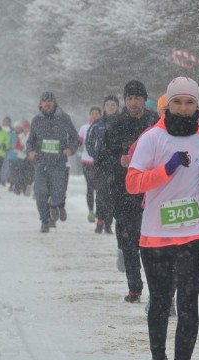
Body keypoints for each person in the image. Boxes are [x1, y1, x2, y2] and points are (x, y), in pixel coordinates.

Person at [125, 76, 199, 360]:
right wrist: (165, 170)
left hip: (196, 231)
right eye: (178, 102)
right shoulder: (152, 139)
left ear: (197, 106)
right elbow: (133, 183)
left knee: (188, 302)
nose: (184, 108)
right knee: (161, 301)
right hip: (156, 234)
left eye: (190, 102)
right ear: (168, 104)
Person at [101, 80, 159, 301]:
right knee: (129, 241)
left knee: (151, 242)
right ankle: (134, 287)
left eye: (138, 98)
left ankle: (157, 287)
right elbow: (102, 159)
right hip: (123, 192)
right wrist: (119, 160)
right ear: (125, 101)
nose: (134, 103)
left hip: (151, 192)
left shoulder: (155, 122)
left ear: (145, 99)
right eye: (130, 98)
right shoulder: (115, 125)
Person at [27, 92, 80, 231]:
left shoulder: (64, 119)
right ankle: (44, 221)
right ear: (41, 104)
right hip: (41, 162)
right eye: (45, 101)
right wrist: (30, 151)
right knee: (40, 193)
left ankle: (55, 206)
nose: (47, 104)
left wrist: (70, 149)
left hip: (58, 162)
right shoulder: (37, 120)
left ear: (54, 103)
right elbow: (30, 141)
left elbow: (75, 138)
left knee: (58, 192)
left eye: (50, 101)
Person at [88, 95, 121, 233]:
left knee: (114, 194)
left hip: (117, 164)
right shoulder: (97, 124)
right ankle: (100, 220)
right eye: (108, 105)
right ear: (104, 107)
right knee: (101, 193)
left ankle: (109, 222)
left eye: (113, 105)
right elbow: (88, 142)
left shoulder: (122, 122)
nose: (110, 107)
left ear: (117, 107)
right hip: (101, 164)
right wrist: (95, 154)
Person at [79, 106, 102, 222]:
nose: (94, 115)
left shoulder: (103, 127)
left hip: (99, 162)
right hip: (86, 161)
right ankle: (91, 211)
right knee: (90, 187)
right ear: (89, 115)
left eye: (97, 113)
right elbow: (78, 141)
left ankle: (99, 211)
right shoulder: (84, 128)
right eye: (92, 113)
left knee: (99, 188)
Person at [9, 121, 28, 195]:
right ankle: (13, 185)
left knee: (20, 173)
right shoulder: (11, 135)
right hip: (12, 156)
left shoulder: (23, 135)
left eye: (19, 127)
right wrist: (10, 146)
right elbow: (8, 143)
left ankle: (19, 187)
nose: (17, 129)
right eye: (16, 127)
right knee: (13, 173)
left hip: (20, 156)